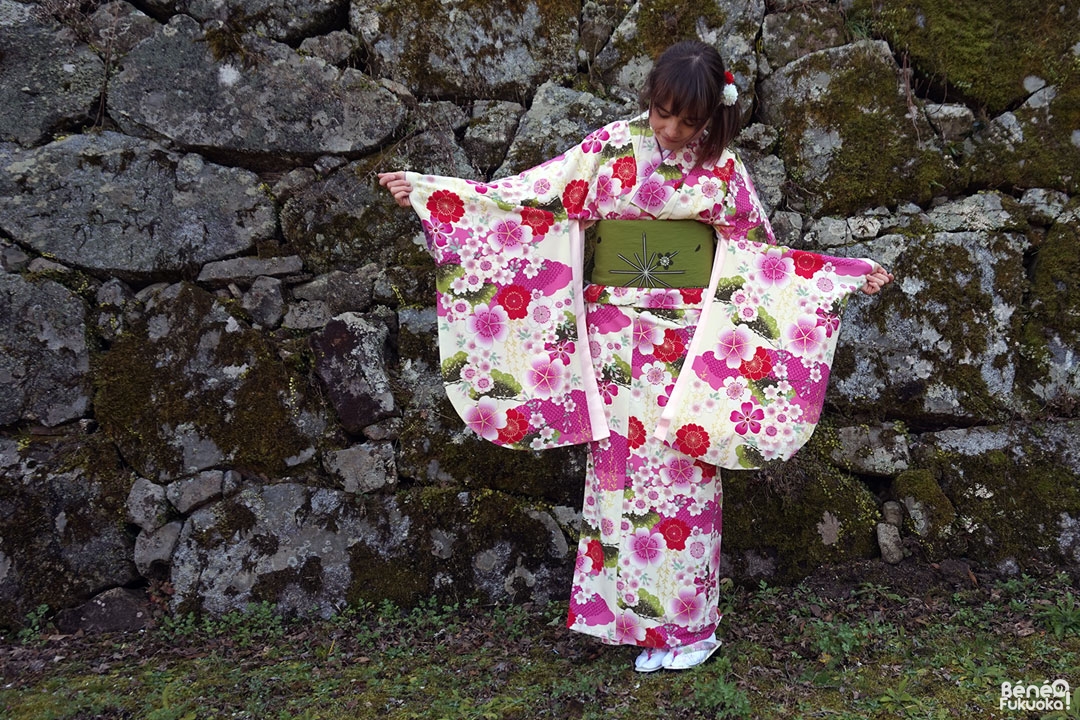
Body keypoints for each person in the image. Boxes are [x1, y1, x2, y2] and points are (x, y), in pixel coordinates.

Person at [379, 40, 892, 672]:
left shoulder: (725, 173)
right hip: (614, 343)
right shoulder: (608, 151)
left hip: (688, 347)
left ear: (713, 119)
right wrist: (436, 194)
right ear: (650, 99)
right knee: (617, 472)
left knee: (683, 482)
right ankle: (629, 624)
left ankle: (691, 631)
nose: (672, 131)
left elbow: (765, 263)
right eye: (663, 113)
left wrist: (841, 273)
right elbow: (528, 199)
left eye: (688, 122)